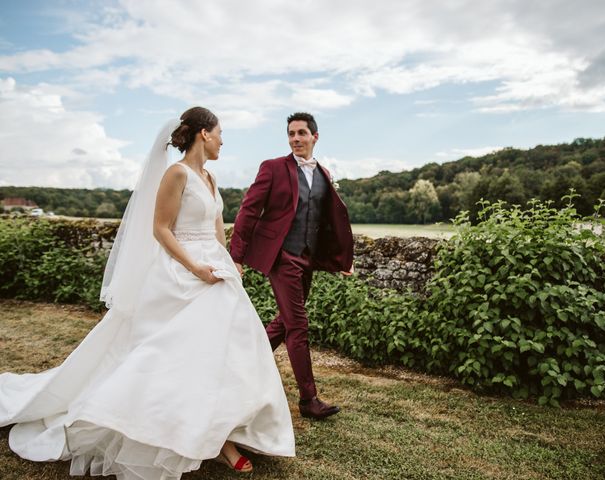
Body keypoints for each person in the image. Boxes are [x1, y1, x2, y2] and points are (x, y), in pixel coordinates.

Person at [0, 107, 295, 479]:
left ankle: (221, 433)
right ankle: (173, 430)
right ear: (203, 134)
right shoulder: (177, 173)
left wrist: (228, 263)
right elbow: (161, 229)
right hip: (182, 272)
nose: (223, 140)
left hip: (216, 272)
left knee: (227, 352)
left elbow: (216, 227)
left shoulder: (210, 177)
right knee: (173, 355)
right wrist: (195, 268)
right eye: (220, 133)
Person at [230, 112, 354, 420]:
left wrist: (340, 260)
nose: (295, 138)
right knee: (298, 324)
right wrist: (236, 256)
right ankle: (308, 400)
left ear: (315, 136)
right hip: (282, 256)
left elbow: (328, 222)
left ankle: (240, 362)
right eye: (291, 134)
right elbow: (248, 210)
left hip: (307, 259)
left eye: (301, 133)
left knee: (285, 322)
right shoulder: (273, 168)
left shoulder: (324, 173)